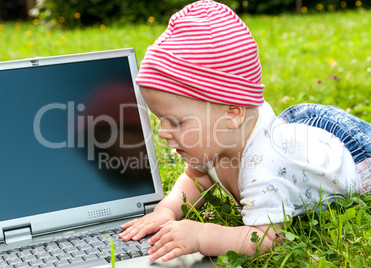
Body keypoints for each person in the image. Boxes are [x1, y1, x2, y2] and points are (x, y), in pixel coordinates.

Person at [119, 0, 371, 262]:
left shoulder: (262, 168)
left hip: (354, 154)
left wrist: (202, 236)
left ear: (233, 113)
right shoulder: (215, 140)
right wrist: (167, 209)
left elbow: (268, 239)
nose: (162, 132)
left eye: (176, 121)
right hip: (298, 131)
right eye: (160, 119)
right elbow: (197, 178)